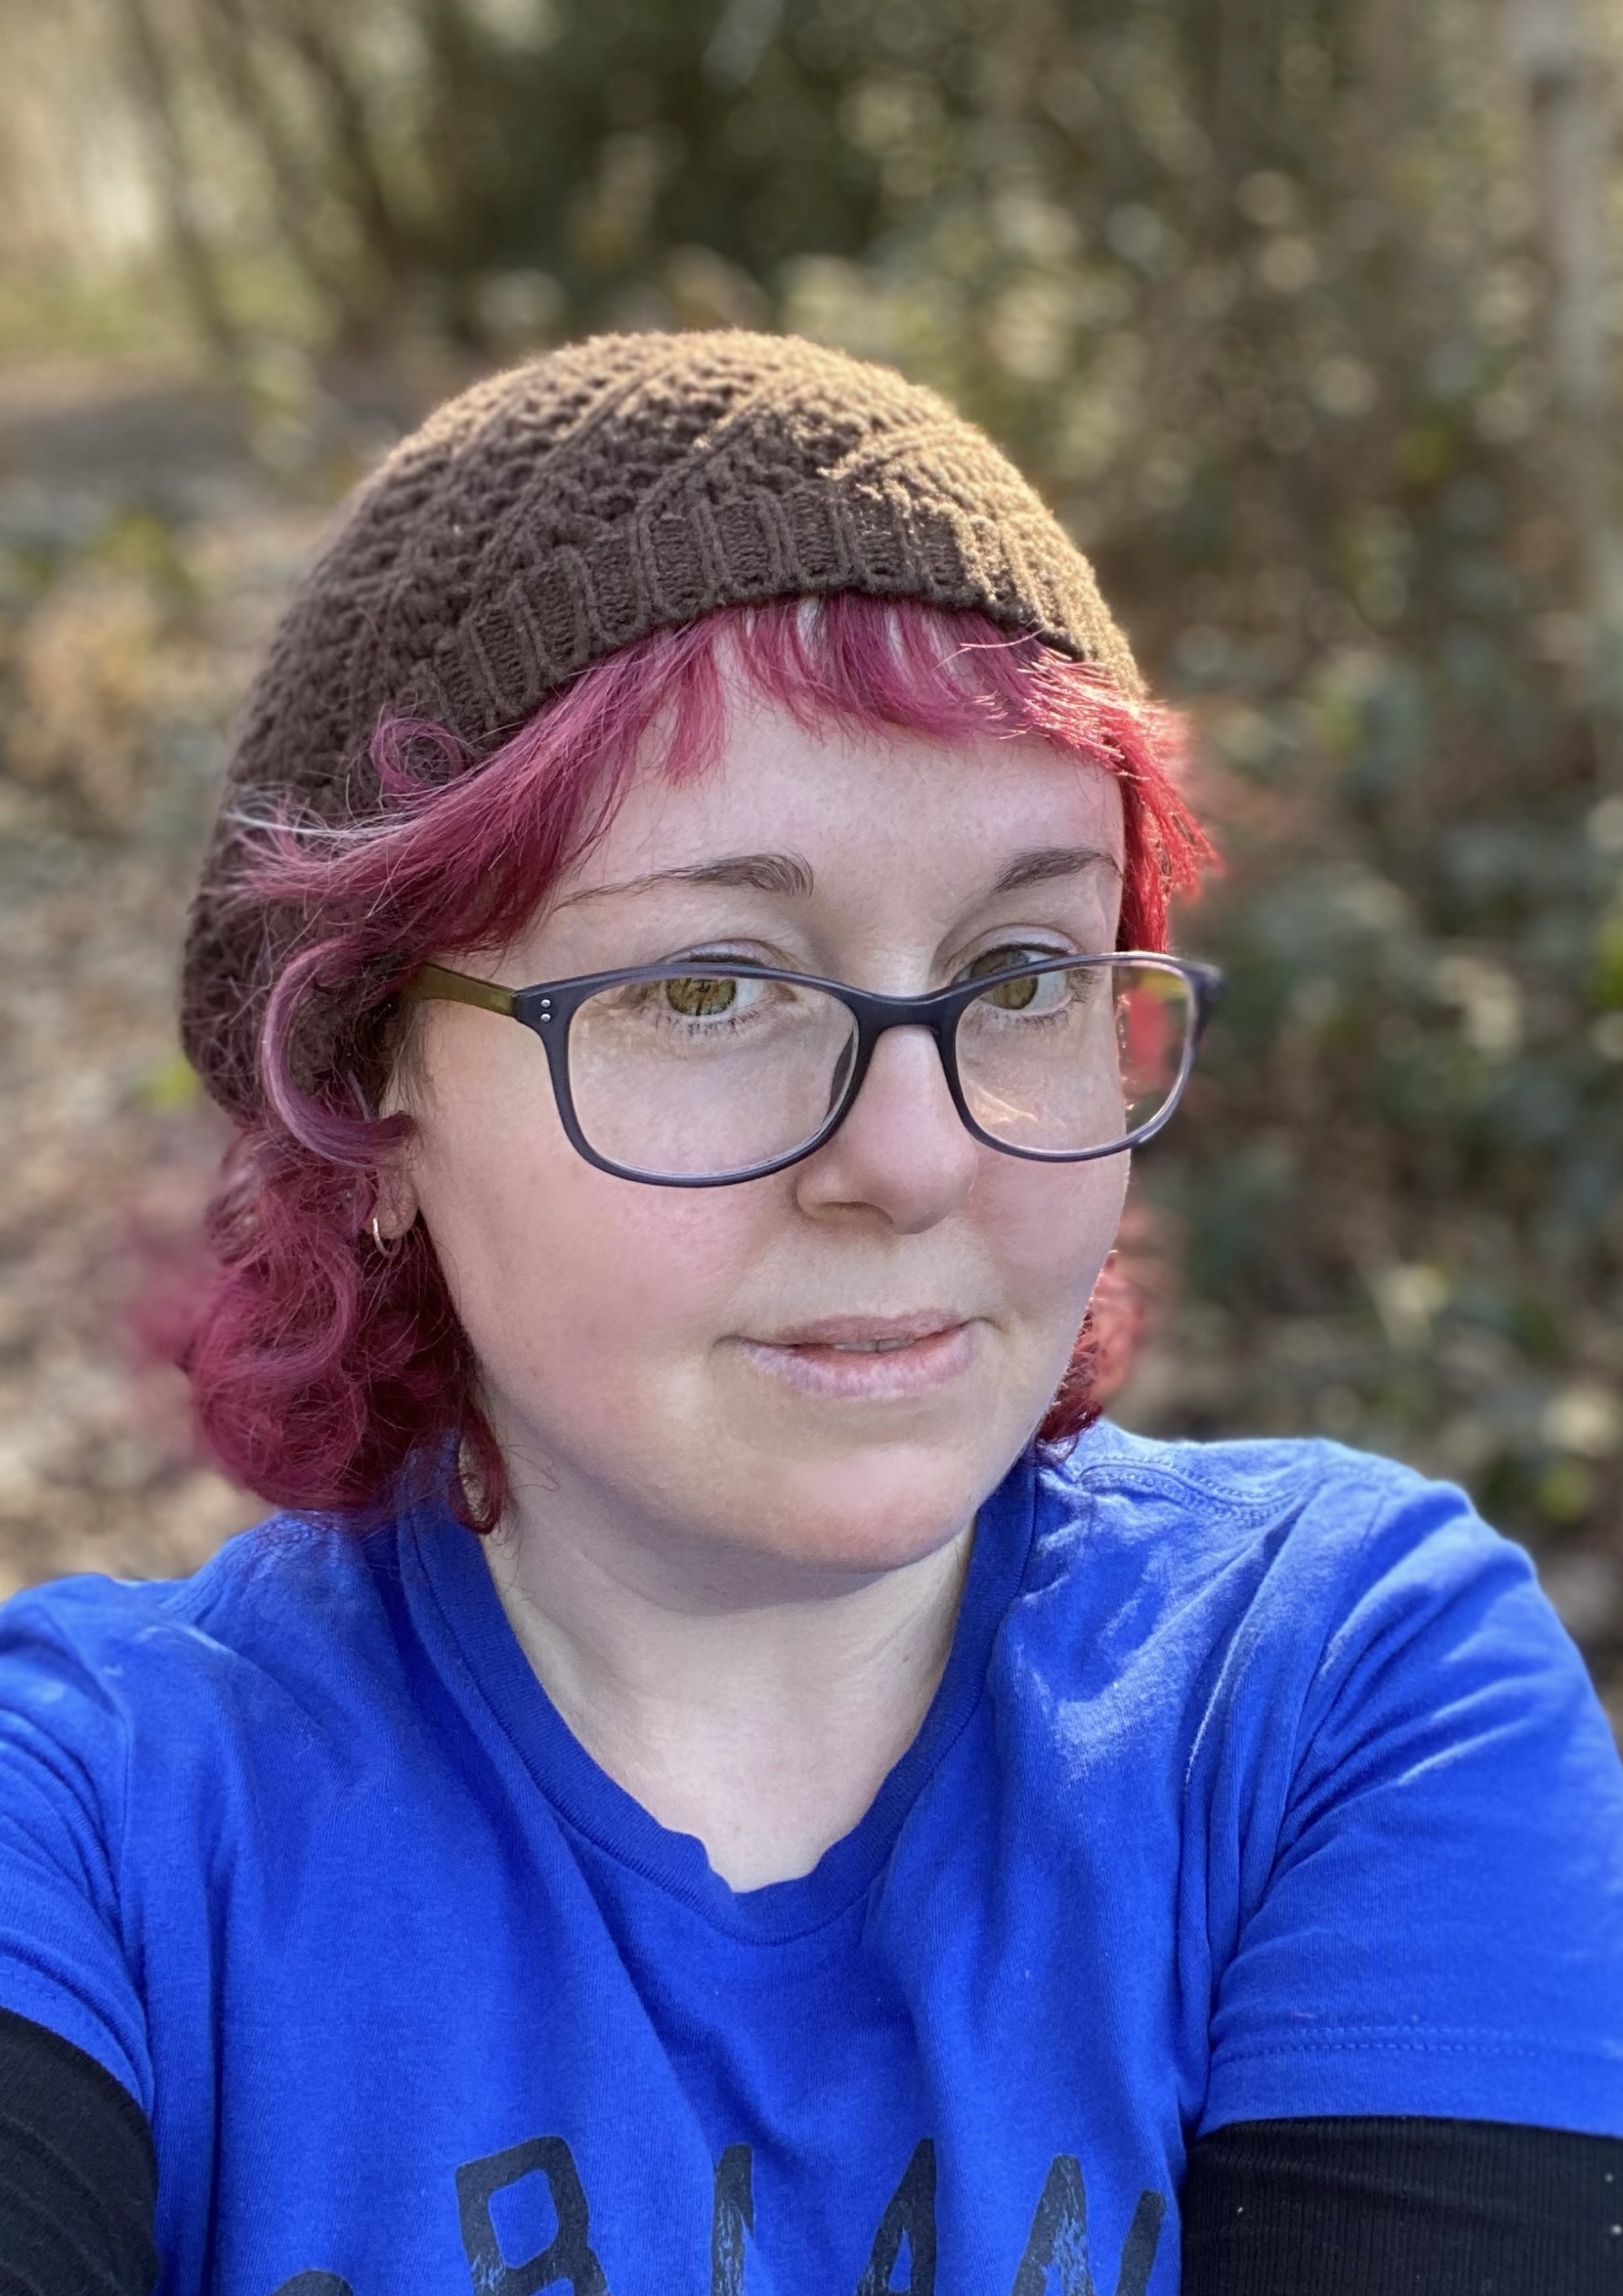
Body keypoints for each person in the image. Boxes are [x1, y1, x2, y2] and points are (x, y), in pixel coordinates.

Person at [1, 332, 1619, 2296]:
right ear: (372, 1098)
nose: (916, 1155)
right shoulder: (92, 1829)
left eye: (1021, 968)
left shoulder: (1323, 1698)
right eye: (707, 986)